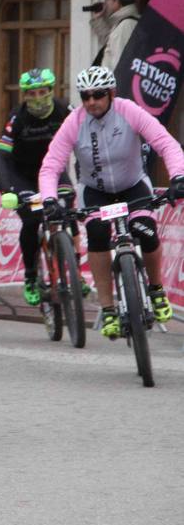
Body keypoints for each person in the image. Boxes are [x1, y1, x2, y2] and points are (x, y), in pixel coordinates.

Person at [38, 66, 184, 338]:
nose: (92, 101)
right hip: (96, 191)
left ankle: (156, 289)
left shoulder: (129, 111)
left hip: (133, 185)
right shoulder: (75, 121)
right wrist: (49, 199)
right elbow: (51, 165)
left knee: (146, 232)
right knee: (97, 234)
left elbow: (166, 143)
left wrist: (178, 176)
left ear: (111, 94)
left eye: (98, 94)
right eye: (86, 96)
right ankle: (107, 309)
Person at [0, 68, 75, 306]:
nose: (37, 97)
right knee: (31, 221)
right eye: (31, 93)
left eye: (42, 92)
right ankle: (30, 276)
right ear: (25, 96)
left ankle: (75, 271)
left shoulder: (64, 111)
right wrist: (7, 189)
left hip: (55, 172)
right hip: (23, 177)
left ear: (51, 91)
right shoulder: (17, 117)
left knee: (68, 211)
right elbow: (1, 157)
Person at [90, 0, 140, 70]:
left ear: (117, 1)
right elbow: (110, 41)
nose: (106, 3)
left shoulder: (126, 25)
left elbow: (120, 63)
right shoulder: (126, 23)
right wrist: (98, 20)